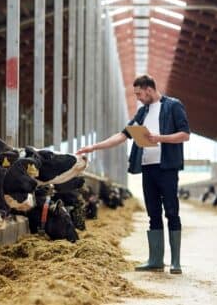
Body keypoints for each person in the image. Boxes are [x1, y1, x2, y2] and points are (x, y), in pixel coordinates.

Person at [77, 75, 190, 274]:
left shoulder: (173, 106)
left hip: (167, 168)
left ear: (149, 89)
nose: (137, 97)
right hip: (148, 168)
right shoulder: (142, 112)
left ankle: (175, 262)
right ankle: (155, 259)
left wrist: (159, 138)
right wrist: (94, 147)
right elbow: (122, 135)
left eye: (139, 93)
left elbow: (185, 134)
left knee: (171, 211)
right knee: (153, 213)